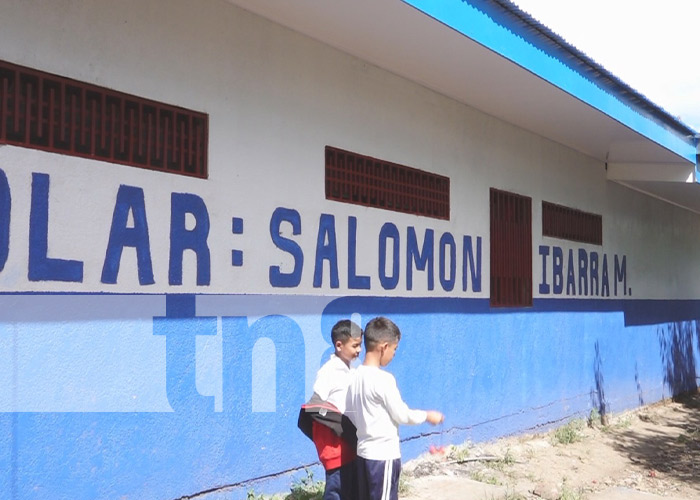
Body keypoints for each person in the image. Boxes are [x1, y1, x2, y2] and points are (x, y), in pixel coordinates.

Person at [345, 316, 444, 500]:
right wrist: (427, 415)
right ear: (384, 347)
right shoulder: (383, 380)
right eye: (394, 349)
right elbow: (403, 415)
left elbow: (349, 413)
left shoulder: (354, 376)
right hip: (383, 457)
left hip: (362, 454)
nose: (394, 354)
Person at [298, 319, 363, 500]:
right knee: (337, 490)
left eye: (360, 345)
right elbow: (314, 406)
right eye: (355, 345)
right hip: (336, 445)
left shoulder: (351, 370)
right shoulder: (329, 371)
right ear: (339, 345)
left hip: (350, 442)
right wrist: (338, 424)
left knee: (351, 489)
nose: (359, 350)